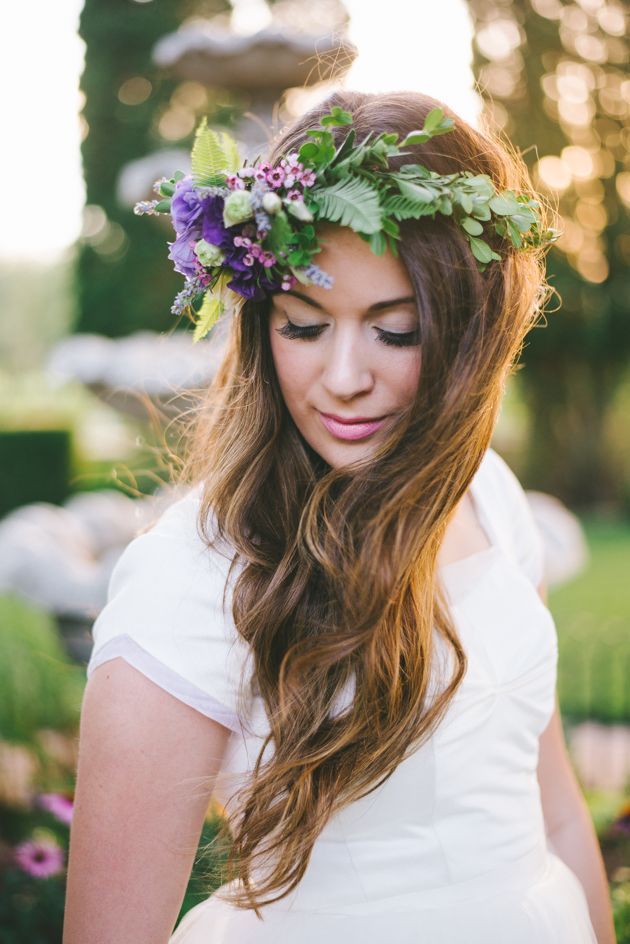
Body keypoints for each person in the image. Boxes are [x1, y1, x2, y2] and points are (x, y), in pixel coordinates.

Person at [63, 90, 615, 944]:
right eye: (304, 325)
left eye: (395, 332)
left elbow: (555, 818)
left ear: (473, 334)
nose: (344, 376)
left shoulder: (488, 496)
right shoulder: (191, 578)